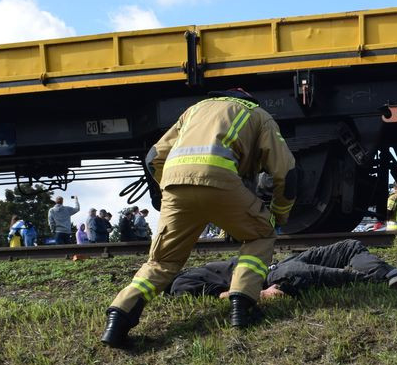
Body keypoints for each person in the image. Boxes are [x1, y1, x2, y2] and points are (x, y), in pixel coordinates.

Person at [101, 88, 296, 347]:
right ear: (249, 100)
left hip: (174, 185)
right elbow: (286, 172)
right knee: (260, 235)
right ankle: (243, 305)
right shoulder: (258, 115)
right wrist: (280, 213)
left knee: (162, 261)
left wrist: (170, 190)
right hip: (221, 180)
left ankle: (118, 319)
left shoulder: (193, 111)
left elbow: (153, 158)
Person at [169, 239, 397, 299]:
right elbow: (220, 296)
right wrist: (264, 294)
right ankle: (385, 281)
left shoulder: (188, 271)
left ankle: (391, 275)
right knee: (342, 278)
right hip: (274, 277)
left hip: (282, 264)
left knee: (349, 247)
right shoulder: (180, 285)